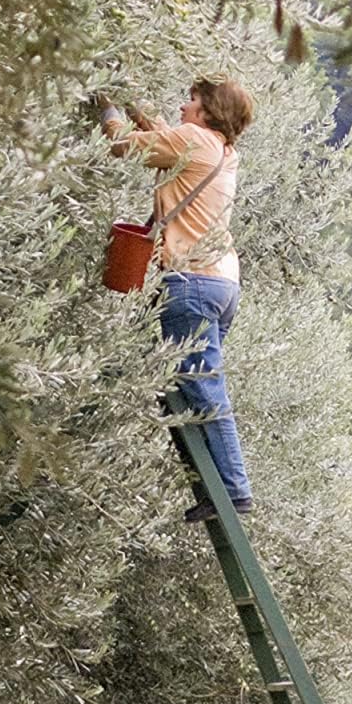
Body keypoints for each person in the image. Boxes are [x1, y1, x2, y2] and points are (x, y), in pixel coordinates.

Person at [100, 77, 256, 523]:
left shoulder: (193, 140)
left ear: (208, 112)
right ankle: (216, 490)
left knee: (205, 390)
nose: (184, 107)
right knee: (192, 386)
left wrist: (107, 107)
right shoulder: (220, 151)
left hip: (192, 281)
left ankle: (233, 490)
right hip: (223, 284)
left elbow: (124, 146)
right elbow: (163, 132)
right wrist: (134, 102)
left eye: (192, 101)